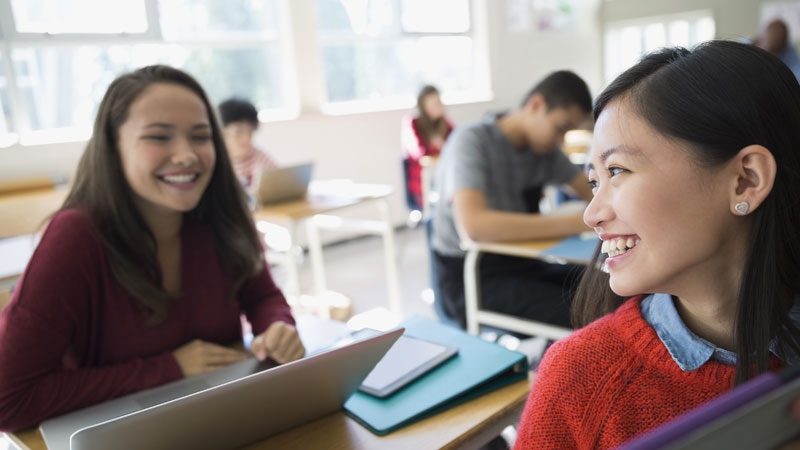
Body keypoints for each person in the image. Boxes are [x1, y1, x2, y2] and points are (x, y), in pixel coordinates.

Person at [514, 40, 800, 450]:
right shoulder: (577, 381)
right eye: (595, 181)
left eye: (617, 170)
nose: (591, 214)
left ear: (745, 180)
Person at [0, 65, 305, 432]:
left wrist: (277, 326)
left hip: (221, 415)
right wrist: (170, 368)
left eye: (201, 136)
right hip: (118, 431)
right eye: (159, 137)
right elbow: (8, 401)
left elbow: (262, 296)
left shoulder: (222, 213)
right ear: (113, 147)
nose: (187, 155)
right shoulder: (76, 236)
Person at [430, 70, 594, 329]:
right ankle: (555, 366)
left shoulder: (544, 151)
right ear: (536, 105)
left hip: (522, 265)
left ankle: (550, 361)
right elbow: (475, 227)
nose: (560, 141)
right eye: (560, 128)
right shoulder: (471, 141)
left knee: (608, 291)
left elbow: (593, 193)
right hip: (472, 277)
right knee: (587, 313)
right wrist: (580, 222)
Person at [401, 85, 454, 212]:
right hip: (423, 183)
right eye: (433, 103)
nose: (438, 106)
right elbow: (419, 152)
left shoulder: (445, 124)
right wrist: (438, 146)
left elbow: (457, 145)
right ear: (424, 106)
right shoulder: (412, 123)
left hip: (443, 178)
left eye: (439, 102)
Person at [218, 97, 278, 195]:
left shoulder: (258, 155)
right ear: (221, 132)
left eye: (250, 132)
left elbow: (280, 179)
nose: (246, 138)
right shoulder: (218, 162)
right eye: (238, 132)